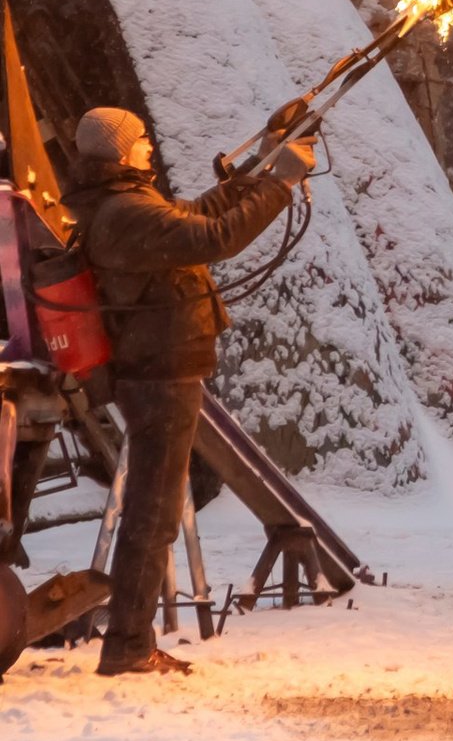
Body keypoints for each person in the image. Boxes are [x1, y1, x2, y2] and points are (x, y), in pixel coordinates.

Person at [64, 106, 310, 677]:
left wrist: (264, 161)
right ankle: (127, 646)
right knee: (152, 516)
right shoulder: (125, 212)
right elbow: (215, 236)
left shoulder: (125, 204)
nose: (149, 145)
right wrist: (281, 184)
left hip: (160, 368)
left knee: (153, 513)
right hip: (159, 374)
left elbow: (197, 214)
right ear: (121, 152)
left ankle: (129, 640)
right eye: (141, 140)